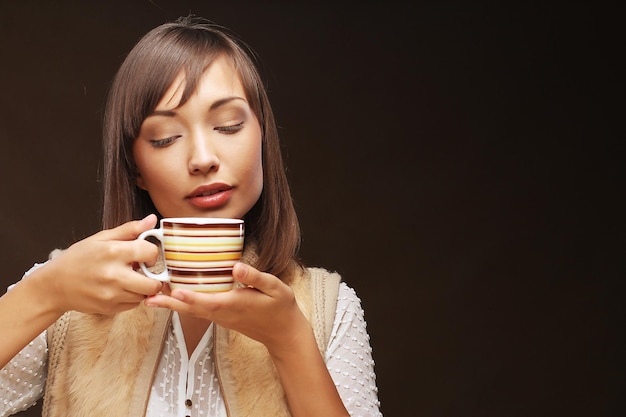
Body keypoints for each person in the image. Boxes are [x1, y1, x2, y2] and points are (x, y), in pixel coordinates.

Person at [0, 15, 381, 417]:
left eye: (228, 126)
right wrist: (45, 294)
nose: (202, 159)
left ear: (263, 136)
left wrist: (290, 341)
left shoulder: (329, 306)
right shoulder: (70, 289)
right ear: (135, 169)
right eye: (165, 138)